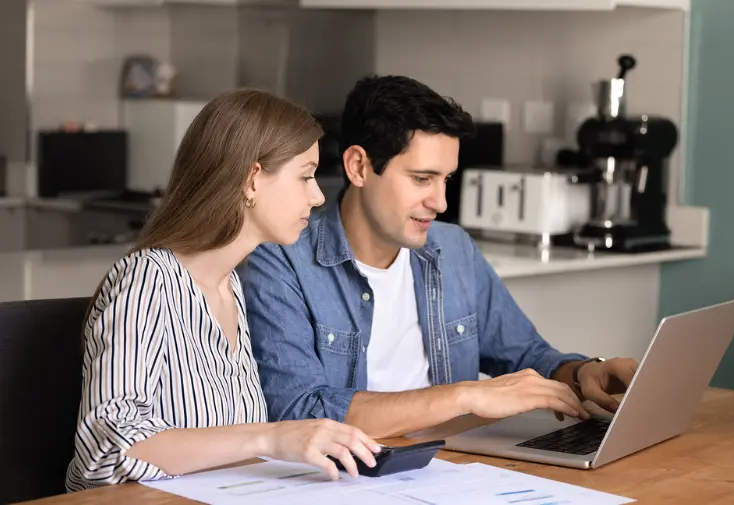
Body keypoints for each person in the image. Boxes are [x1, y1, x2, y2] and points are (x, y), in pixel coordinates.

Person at [240, 75, 639, 439]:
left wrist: (586, 372)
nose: (441, 202)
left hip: (452, 470)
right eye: (421, 179)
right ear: (359, 166)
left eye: (446, 179)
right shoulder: (280, 261)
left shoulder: (452, 249)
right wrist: (463, 397)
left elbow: (527, 356)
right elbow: (299, 412)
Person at [65, 88, 382, 492]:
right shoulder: (146, 280)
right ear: (252, 179)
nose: (318, 195)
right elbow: (108, 453)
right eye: (305, 176)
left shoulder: (230, 285)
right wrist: (272, 437)